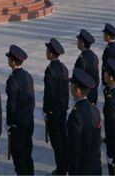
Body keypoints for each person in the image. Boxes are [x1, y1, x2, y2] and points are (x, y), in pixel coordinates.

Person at [5, 44, 34, 176]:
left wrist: (10, 123)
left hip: (18, 125)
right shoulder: (28, 76)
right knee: (27, 155)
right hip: (28, 121)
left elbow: (11, 106)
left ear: (12, 61)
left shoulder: (12, 80)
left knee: (19, 158)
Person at [67, 67, 102, 176]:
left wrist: (73, 171)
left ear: (77, 90)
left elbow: (74, 146)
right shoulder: (94, 109)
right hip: (95, 164)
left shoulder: (76, 115)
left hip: (83, 168)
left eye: (72, 85)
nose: (70, 87)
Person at [43, 37, 68, 176]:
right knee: (63, 140)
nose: (46, 52)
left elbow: (49, 94)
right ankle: (65, 166)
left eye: (48, 50)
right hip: (62, 109)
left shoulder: (50, 71)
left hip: (54, 112)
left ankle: (61, 170)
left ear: (51, 54)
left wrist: (47, 110)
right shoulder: (63, 68)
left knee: (57, 143)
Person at [74, 29, 99, 105]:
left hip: (85, 94)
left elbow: (79, 78)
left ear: (82, 43)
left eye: (78, 41)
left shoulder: (82, 59)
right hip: (93, 91)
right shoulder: (94, 56)